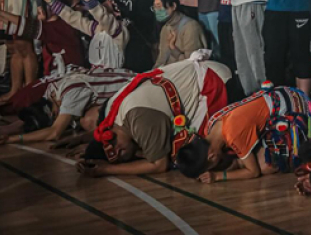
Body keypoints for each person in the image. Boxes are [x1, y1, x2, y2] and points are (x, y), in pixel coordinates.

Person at [78, 56, 232, 177]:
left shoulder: (140, 120)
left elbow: (159, 165)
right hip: (202, 75)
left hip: (214, 83)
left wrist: (107, 170)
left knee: (195, 158)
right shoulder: (115, 115)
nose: (123, 154)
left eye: (119, 156)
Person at [174, 85, 311, 183]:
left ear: (211, 156)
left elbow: (253, 172)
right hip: (279, 95)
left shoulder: (233, 134)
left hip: (299, 106)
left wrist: (218, 176)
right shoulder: (210, 126)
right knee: (245, 157)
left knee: (264, 165)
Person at [0, 66, 134, 148]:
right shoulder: (52, 93)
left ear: (54, 112)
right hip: (125, 83)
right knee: (84, 118)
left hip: (136, 86)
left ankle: (128, 136)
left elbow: (54, 133)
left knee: (89, 121)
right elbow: (35, 116)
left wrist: (11, 139)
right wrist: (1, 131)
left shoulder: (70, 95)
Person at [38, 0, 127, 69]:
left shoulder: (119, 32)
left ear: (117, 12)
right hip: (95, 75)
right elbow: (72, 18)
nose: (107, 1)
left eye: (112, 2)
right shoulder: (97, 29)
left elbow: (101, 15)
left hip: (113, 78)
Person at [152, 0, 207, 67]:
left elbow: (192, 64)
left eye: (159, 6)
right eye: (154, 7)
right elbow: (161, 59)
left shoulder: (190, 27)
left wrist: (173, 48)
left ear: (173, 6)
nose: (156, 11)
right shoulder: (165, 28)